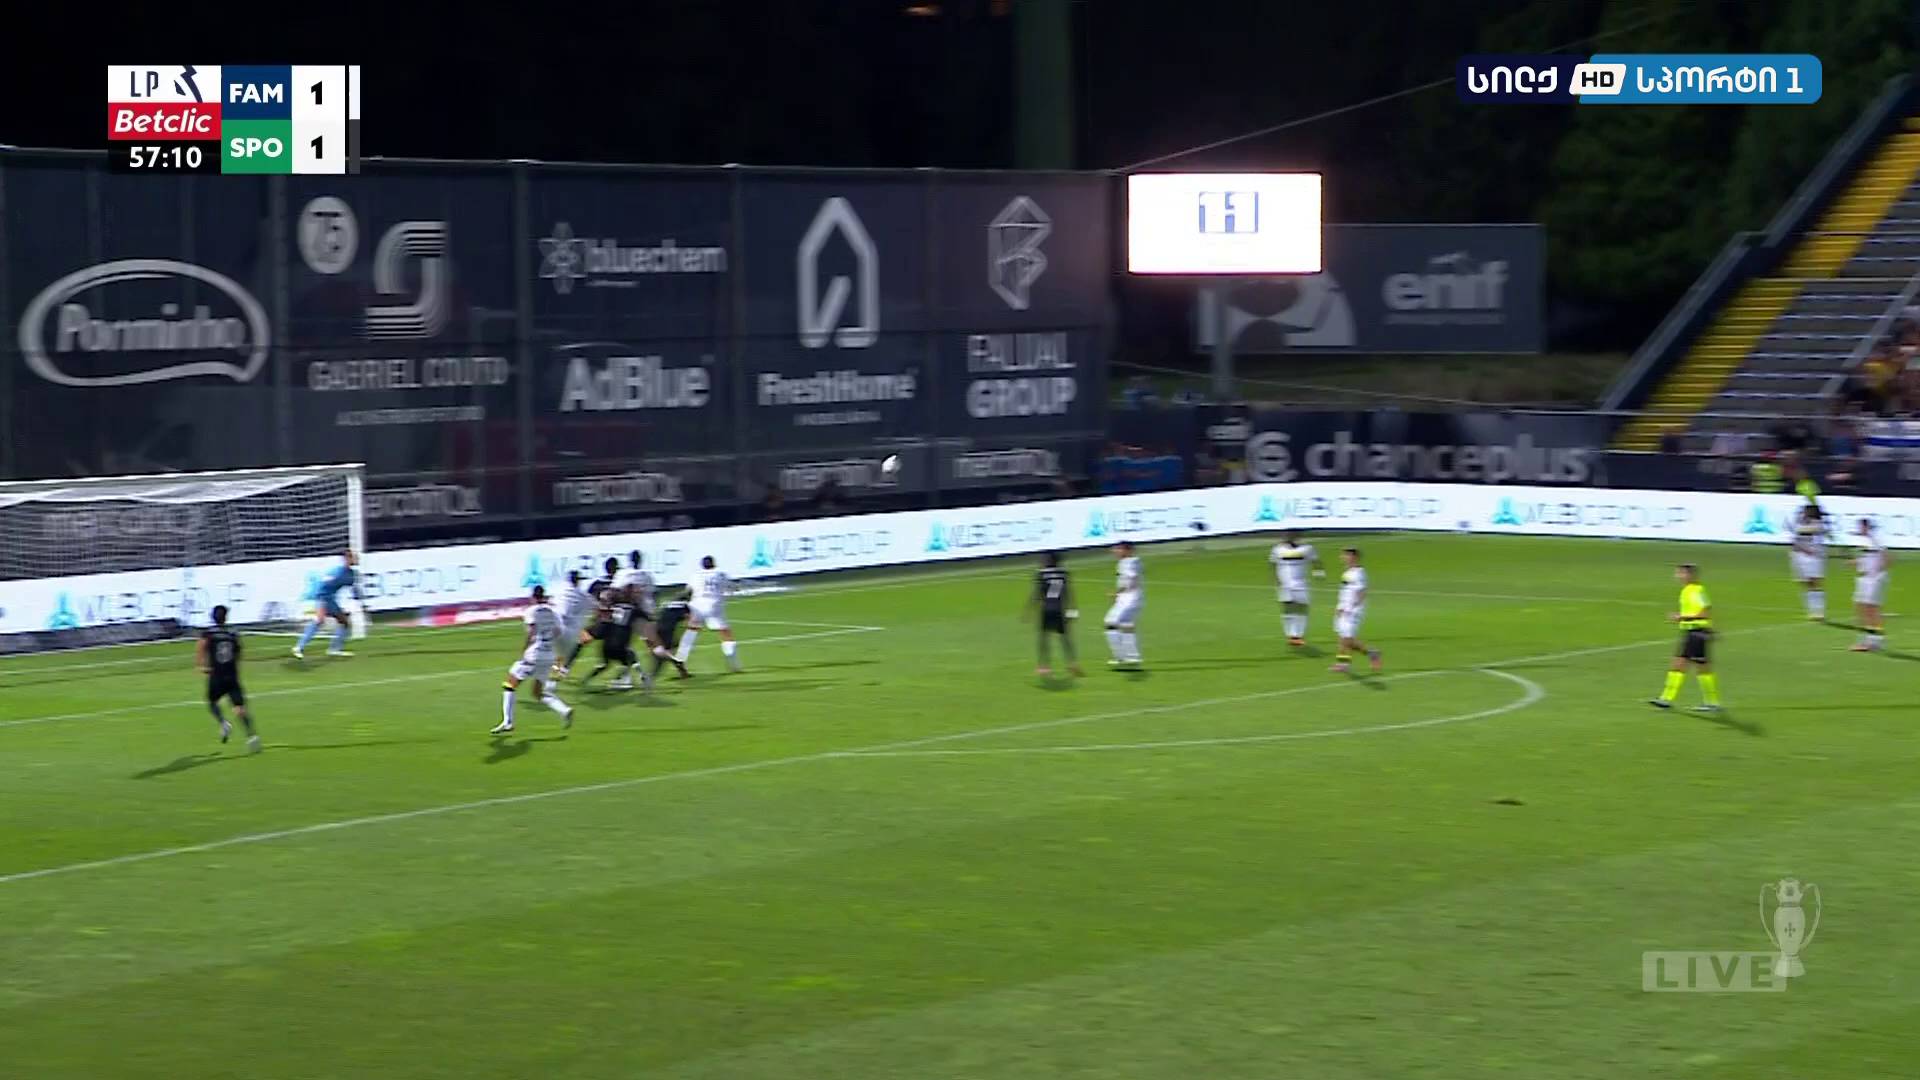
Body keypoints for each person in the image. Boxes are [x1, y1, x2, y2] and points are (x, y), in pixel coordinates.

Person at [493, 584, 573, 735]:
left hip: (534, 654)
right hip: (548, 655)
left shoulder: (531, 611)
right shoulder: (553, 611)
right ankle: (564, 710)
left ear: (533, 597)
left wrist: (524, 650)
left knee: (509, 684)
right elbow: (558, 631)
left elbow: (531, 632)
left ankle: (508, 722)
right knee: (537, 693)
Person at [1650, 563, 1721, 713]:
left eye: (1681, 573)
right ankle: (1710, 702)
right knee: (1694, 666)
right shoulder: (1687, 590)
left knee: (1685, 665)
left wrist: (1681, 617)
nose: (1678, 576)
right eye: (1678, 573)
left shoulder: (1697, 590)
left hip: (1696, 632)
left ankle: (1667, 699)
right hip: (1692, 632)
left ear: (1691, 575)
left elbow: (1705, 612)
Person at [197, 604, 260, 753]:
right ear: (226, 617)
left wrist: (202, 665)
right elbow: (239, 651)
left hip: (216, 675)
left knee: (212, 702)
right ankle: (251, 736)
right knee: (239, 708)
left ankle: (223, 723)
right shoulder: (233, 633)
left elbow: (201, 647)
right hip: (232, 675)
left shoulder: (209, 633)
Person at [292, 549, 365, 659]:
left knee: (344, 622)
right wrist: (320, 600)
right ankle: (299, 647)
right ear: (347, 559)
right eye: (354, 557)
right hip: (323, 598)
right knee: (319, 620)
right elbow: (323, 585)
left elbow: (354, 589)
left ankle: (334, 649)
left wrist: (359, 601)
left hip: (331, 600)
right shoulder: (336, 572)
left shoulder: (352, 574)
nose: (357, 559)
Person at [676, 556, 742, 672]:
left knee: (691, 632)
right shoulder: (720, 574)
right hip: (714, 606)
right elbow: (733, 587)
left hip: (697, 606)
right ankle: (733, 664)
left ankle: (680, 658)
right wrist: (736, 586)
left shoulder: (695, 575)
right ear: (714, 564)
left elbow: (688, 591)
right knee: (725, 633)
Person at [1028, 551, 1082, 677]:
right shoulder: (1064, 573)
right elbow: (1068, 592)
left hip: (1047, 609)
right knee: (1065, 638)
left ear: (1049, 560)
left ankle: (1044, 666)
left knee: (1044, 638)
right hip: (1059, 609)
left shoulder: (1041, 574)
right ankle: (1072, 664)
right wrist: (1072, 609)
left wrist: (1029, 610)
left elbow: (1037, 594)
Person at [1330, 547, 1382, 674]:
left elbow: (1362, 592)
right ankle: (1371, 654)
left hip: (1352, 610)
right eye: (1343, 555)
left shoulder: (1359, 573)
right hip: (1343, 608)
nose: (1343, 557)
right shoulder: (1347, 572)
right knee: (1343, 638)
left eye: (1346, 555)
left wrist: (1351, 608)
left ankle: (1344, 664)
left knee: (1346, 638)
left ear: (1355, 557)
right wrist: (1339, 607)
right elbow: (1345, 592)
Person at [1269, 530, 1323, 646]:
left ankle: (1298, 634)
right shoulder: (1277, 549)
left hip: (1301, 584)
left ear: (1298, 536)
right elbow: (1273, 564)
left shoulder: (1307, 549)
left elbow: (1315, 561)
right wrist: (1276, 580)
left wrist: (1318, 573)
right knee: (1288, 607)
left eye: (1292, 534)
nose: (1289, 536)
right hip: (1285, 584)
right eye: (1287, 534)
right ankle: (1291, 635)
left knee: (1301, 608)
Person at [1851, 518, 1891, 653]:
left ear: (1867, 527)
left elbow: (1887, 557)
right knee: (1861, 607)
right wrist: (1855, 562)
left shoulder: (1876, 539)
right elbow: (1868, 558)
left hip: (1873, 579)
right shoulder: (1864, 541)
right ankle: (1869, 640)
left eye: (1861, 527)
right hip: (1863, 577)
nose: (1859, 529)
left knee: (1871, 608)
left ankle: (1874, 641)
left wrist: (1878, 572)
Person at [1104, 541, 1143, 667]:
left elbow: (1132, 579)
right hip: (1132, 598)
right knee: (1126, 624)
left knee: (1110, 622)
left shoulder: (1128, 562)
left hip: (1129, 599)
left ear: (1127, 550)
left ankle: (1120, 657)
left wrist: (1117, 593)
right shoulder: (1133, 561)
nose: (1115, 551)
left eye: (1118, 549)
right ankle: (1132, 658)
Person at [551, 570, 597, 678]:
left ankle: (556, 667)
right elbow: (595, 606)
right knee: (573, 649)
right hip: (569, 631)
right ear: (577, 581)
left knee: (557, 649)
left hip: (554, 626)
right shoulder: (582, 595)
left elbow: (552, 604)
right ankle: (559, 670)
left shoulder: (560, 592)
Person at [1789, 505, 1829, 622]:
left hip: (1813, 557)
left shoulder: (1818, 525)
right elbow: (1794, 539)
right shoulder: (1800, 523)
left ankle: (1819, 611)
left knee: (1815, 583)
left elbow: (1812, 530)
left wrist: (1797, 528)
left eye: (1805, 512)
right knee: (1805, 583)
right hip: (1799, 556)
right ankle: (1811, 610)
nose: (1804, 514)